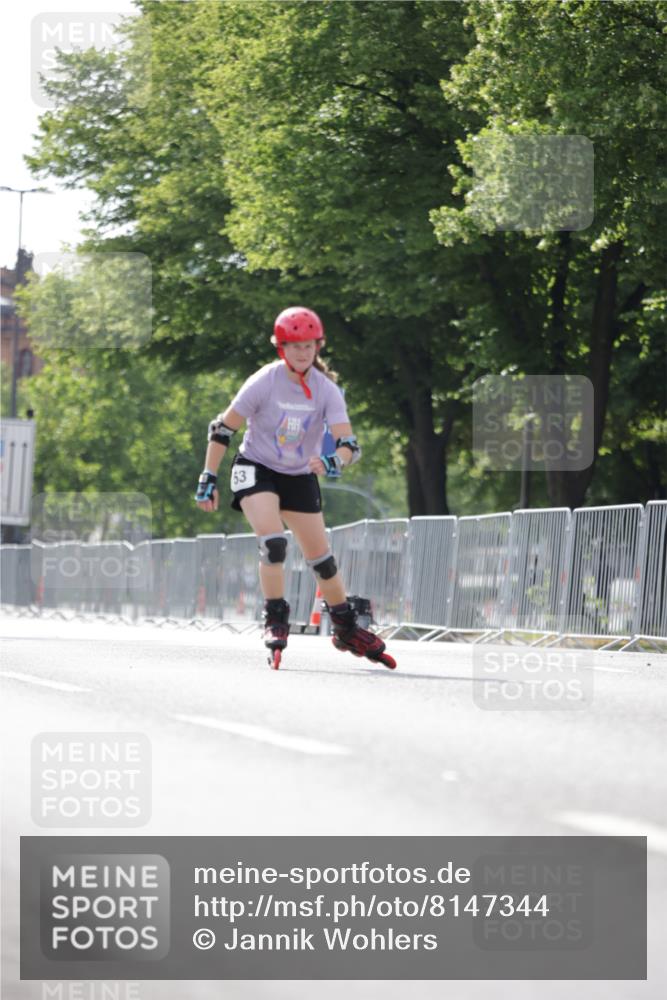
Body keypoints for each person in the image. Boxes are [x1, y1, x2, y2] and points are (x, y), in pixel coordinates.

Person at [194, 306, 395, 670]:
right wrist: (208, 476)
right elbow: (222, 428)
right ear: (280, 347)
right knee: (274, 543)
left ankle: (346, 626)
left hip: (300, 474)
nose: (302, 353)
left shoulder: (326, 390)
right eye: (294, 346)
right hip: (257, 466)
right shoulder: (264, 381)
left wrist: (337, 461)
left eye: (308, 346)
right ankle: (275, 616)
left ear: (318, 346)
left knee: (323, 561)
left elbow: (350, 445)